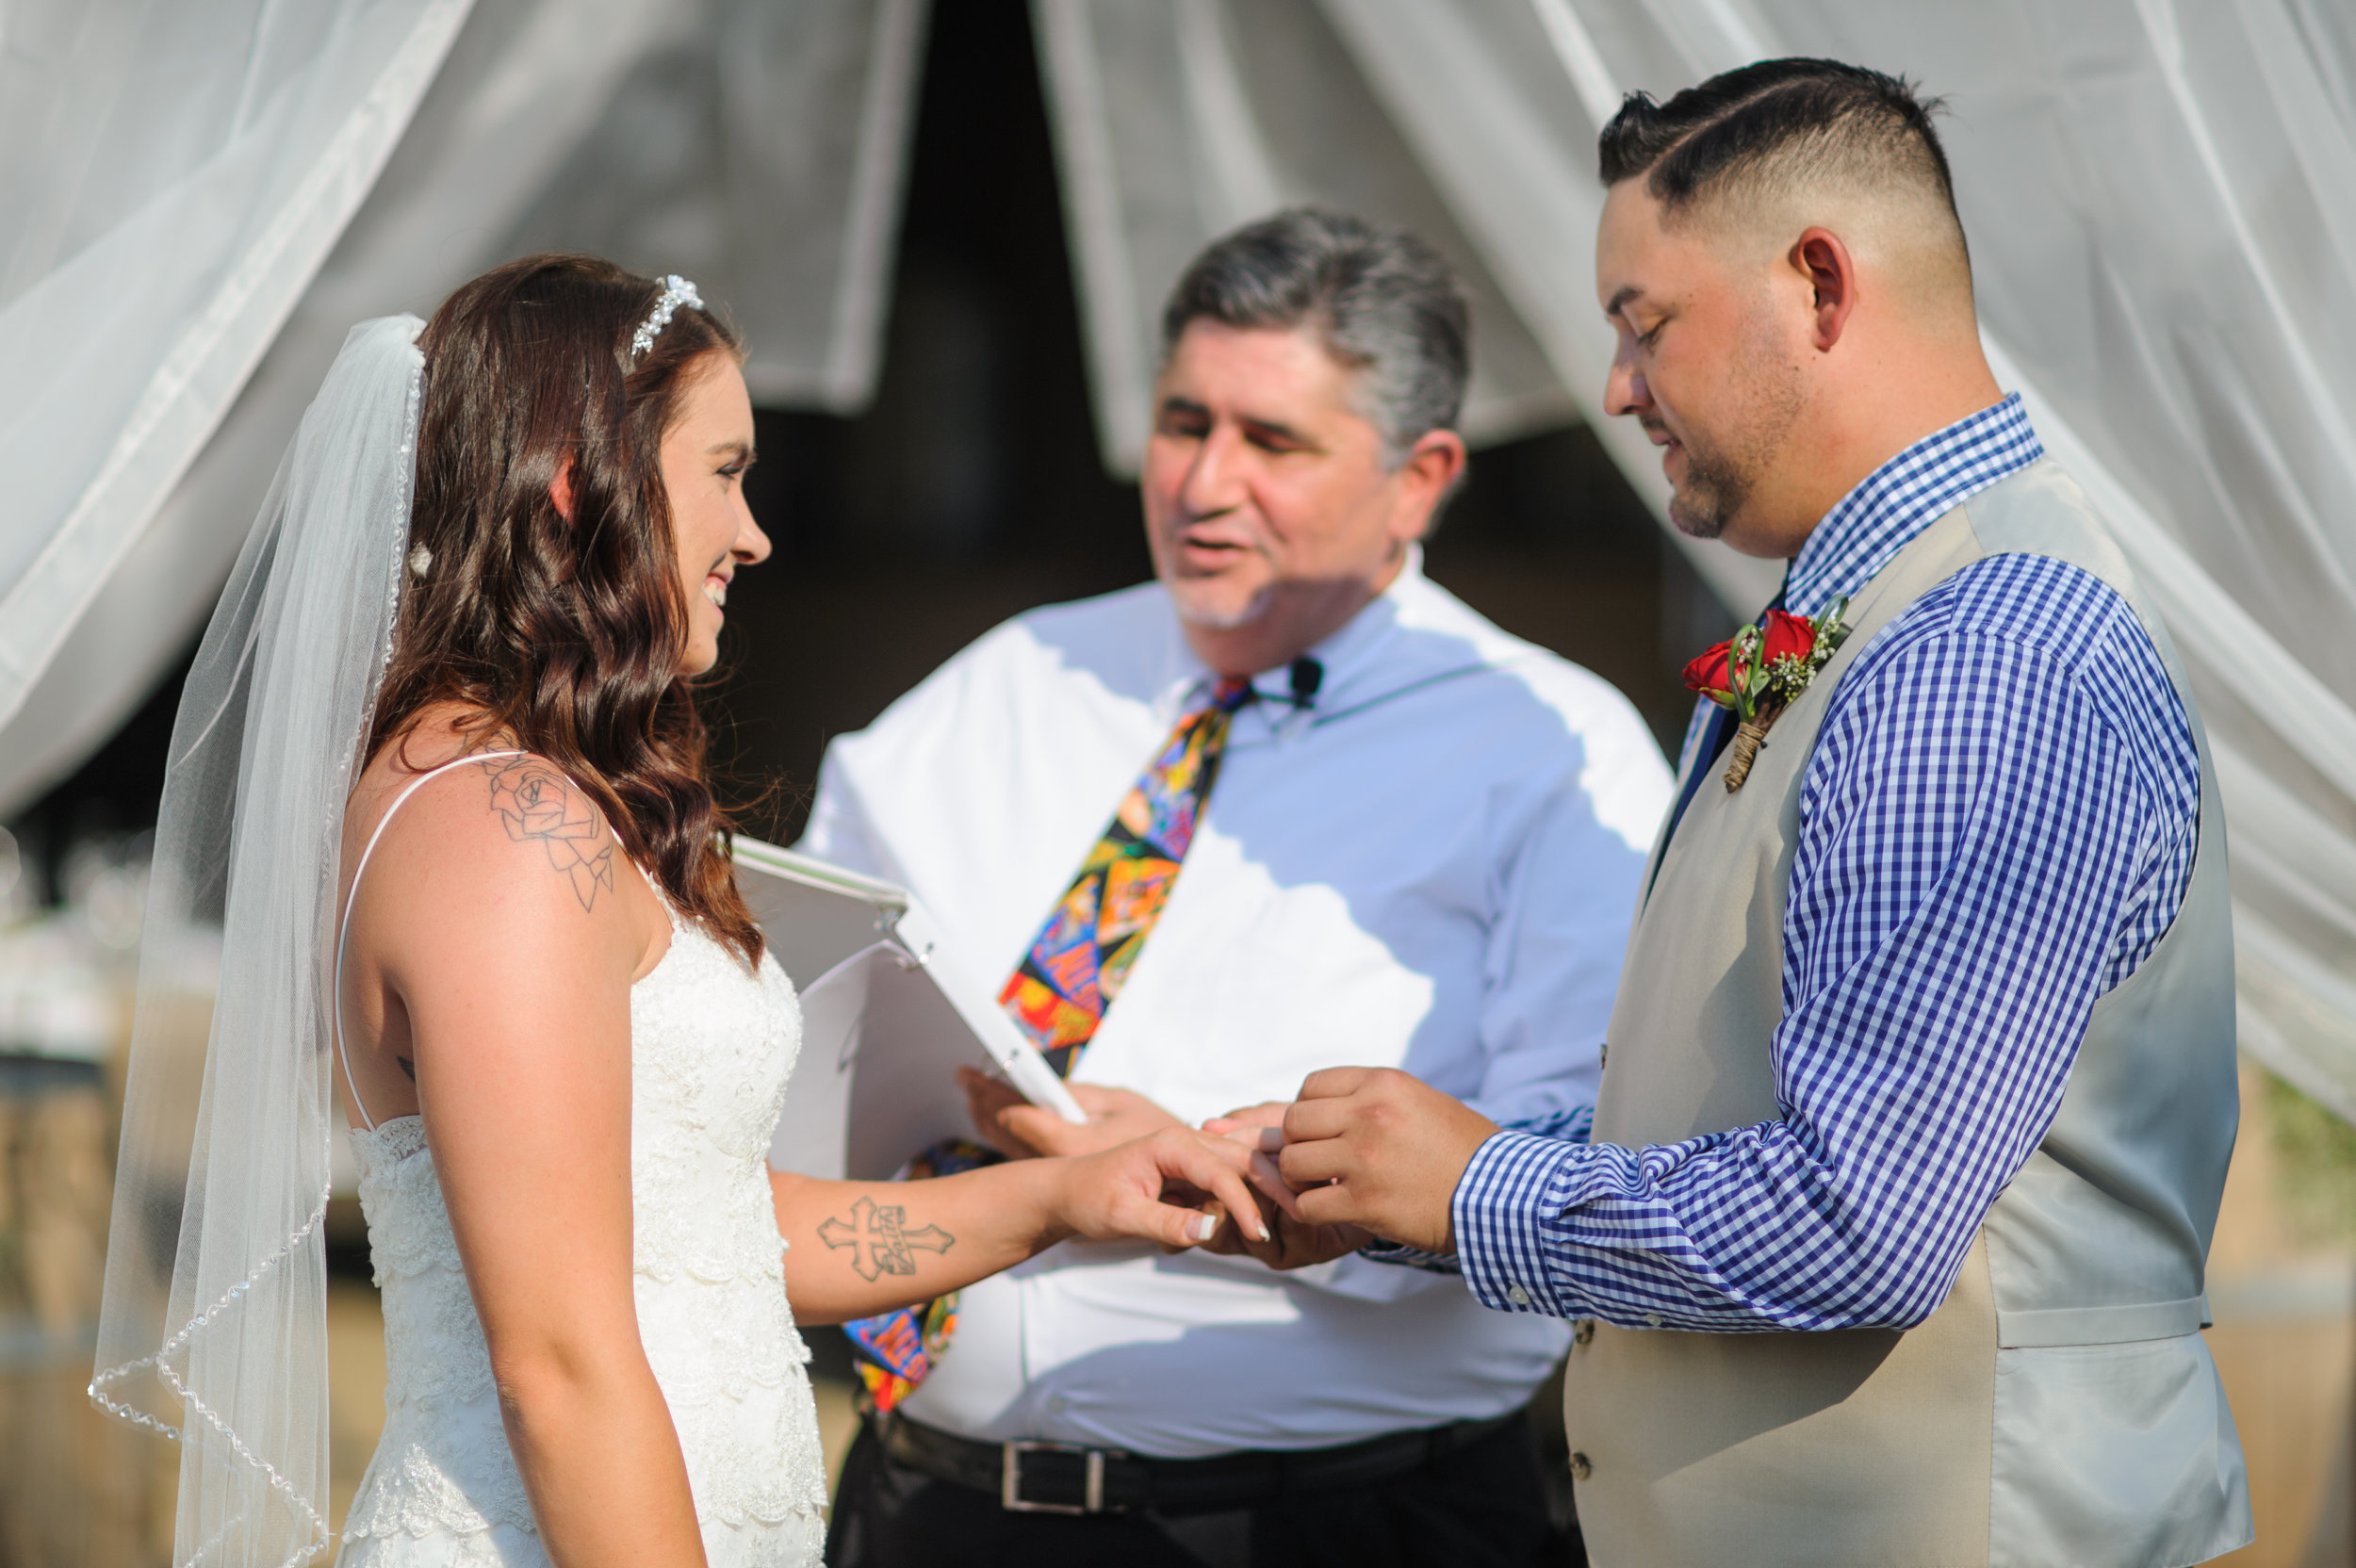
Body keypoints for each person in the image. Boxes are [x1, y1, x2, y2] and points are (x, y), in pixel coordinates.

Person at [90, 254, 1266, 1568]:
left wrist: (1057, 1197)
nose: (754, 531)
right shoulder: (495, 830)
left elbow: (703, 1228)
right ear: (578, 482)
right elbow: (561, 1368)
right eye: (724, 470)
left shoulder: (531, 798)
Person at [1252, 60, 2251, 1568]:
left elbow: (1862, 1217)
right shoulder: (1876, 616)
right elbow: (1775, 1106)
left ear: (1820, 286)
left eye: (1644, 324)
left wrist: (1476, 1191)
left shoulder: (1979, 659)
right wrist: (1384, 1180)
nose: (1615, 389)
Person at [801, 208, 1672, 1567]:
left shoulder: (1551, 755)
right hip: (932, 1505)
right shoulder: (993, 692)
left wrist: (1248, 1188)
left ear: (1419, 479)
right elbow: (794, 1023)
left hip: (1344, 1527)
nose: (1204, 483)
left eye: (1272, 442)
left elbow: (1590, 1162)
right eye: (1181, 421)